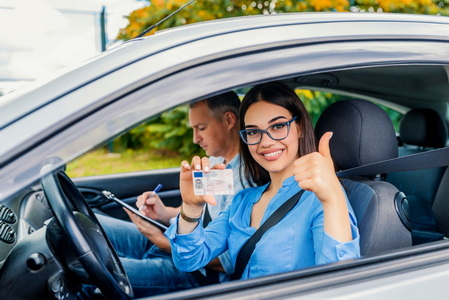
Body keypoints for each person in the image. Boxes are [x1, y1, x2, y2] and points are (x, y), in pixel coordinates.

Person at [166, 81, 360, 279]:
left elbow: (339, 284)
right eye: (253, 132)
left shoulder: (323, 199)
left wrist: (333, 197)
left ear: (299, 127)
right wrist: (190, 207)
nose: (265, 142)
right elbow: (188, 260)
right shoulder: (242, 201)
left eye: (277, 126)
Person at [85, 91, 247, 298]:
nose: (196, 138)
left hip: (197, 273)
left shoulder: (246, 180)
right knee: (90, 225)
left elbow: (229, 260)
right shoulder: (216, 163)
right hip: (173, 240)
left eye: (201, 128)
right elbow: (205, 212)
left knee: (91, 277)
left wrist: (161, 241)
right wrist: (163, 213)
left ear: (229, 120)